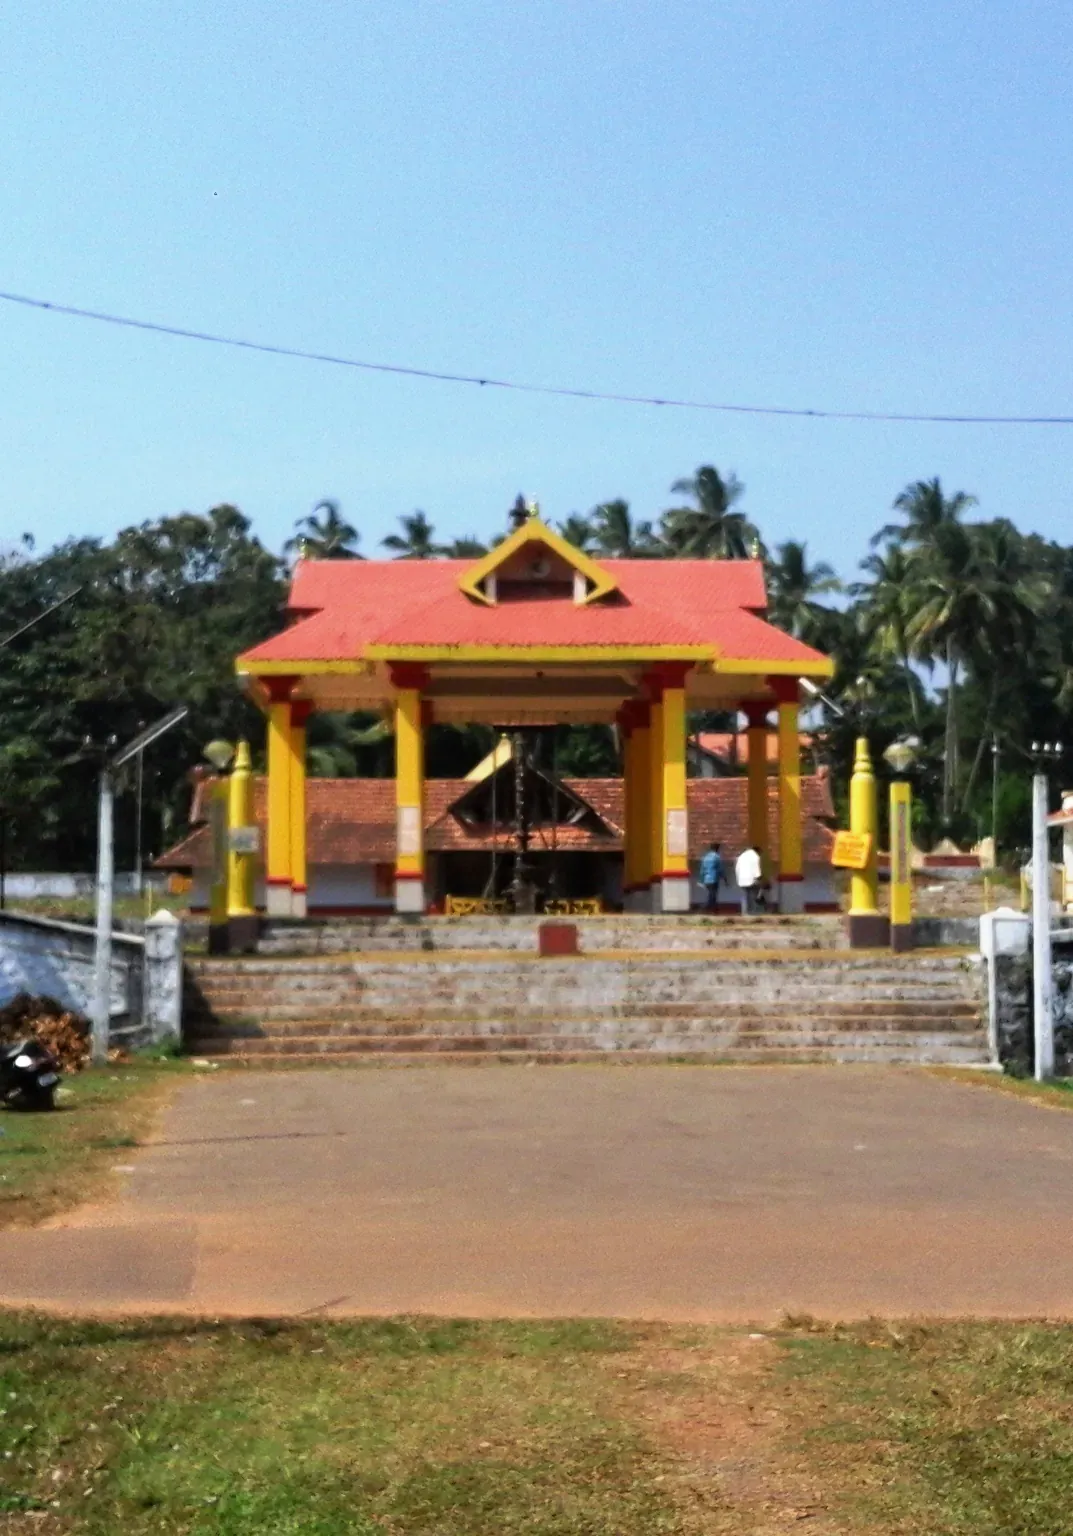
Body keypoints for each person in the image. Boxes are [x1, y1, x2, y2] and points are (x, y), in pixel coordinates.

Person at [735, 844, 763, 914]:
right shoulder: (755, 856)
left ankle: (744, 912)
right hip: (751, 879)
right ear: (757, 851)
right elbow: (757, 870)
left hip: (741, 879)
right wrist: (759, 878)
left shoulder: (741, 856)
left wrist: (738, 879)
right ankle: (752, 912)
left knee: (744, 897)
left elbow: (737, 869)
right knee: (753, 896)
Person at [699, 842, 723, 912]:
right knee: (713, 895)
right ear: (717, 848)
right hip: (714, 879)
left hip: (706, 879)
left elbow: (702, 869)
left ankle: (714, 909)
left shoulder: (706, 857)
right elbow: (720, 869)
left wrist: (701, 880)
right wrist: (725, 879)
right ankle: (706, 908)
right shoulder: (717, 857)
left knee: (711, 894)